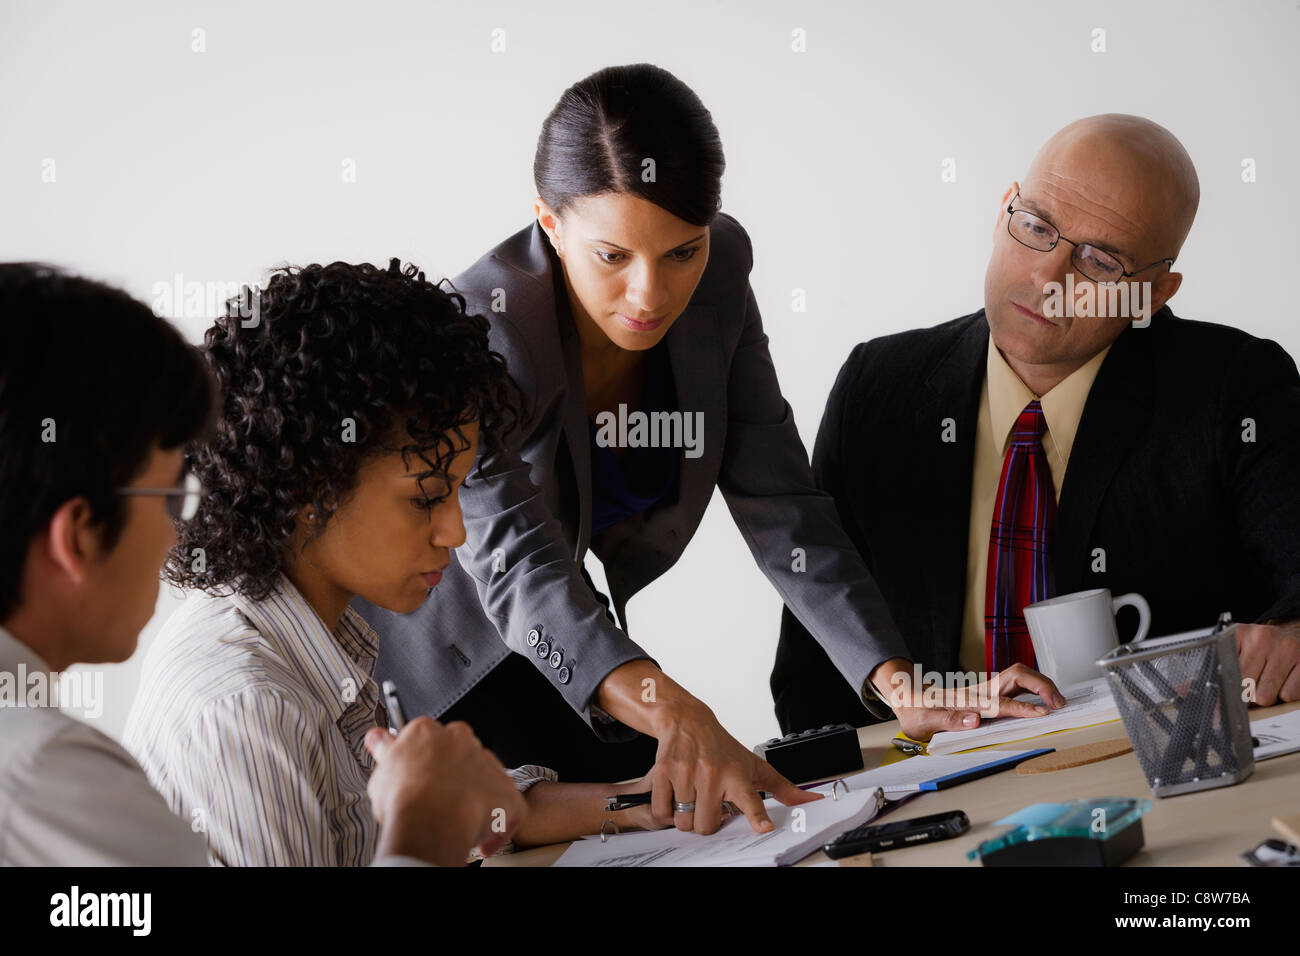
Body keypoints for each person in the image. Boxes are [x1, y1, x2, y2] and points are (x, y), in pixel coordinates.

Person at [357, 62, 1062, 839]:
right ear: (549, 225)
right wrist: (674, 706)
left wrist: (900, 684)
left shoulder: (723, 272)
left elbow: (782, 501)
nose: (650, 295)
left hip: (582, 637)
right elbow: (520, 563)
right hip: (449, 657)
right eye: (613, 257)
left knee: (690, 818)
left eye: (680, 252)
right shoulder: (484, 330)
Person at [123, 259, 671, 866]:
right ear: (313, 490)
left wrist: (636, 803)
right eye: (426, 497)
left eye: (459, 492)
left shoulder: (321, 635)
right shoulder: (245, 705)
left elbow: (423, 820)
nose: (456, 532)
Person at [772, 114, 1300, 734]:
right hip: (936, 777)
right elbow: (811, 671)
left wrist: (1292, 632)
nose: (1049, 278)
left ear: (1154, 295)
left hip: (1153, 760)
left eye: (1101, 262)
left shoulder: (1234, 386)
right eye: (1036, 227)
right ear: (1004, 213)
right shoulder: (878, 385)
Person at [0, 262, 523, 867]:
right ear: (80, 536)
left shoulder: (332, 643)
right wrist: (422, 835)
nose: (179, 533)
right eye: (171, 495)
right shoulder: (226, 707)